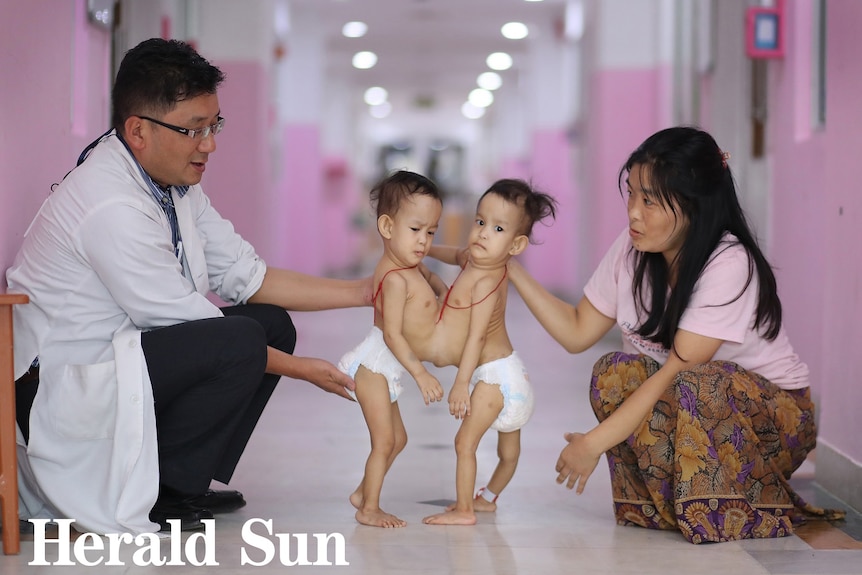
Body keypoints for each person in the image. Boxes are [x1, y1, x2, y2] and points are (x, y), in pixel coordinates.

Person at [6, 38, 368, 535]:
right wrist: (305, 370)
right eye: (193, 129)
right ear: (138, 131)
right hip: (59, 392)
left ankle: (184, 481)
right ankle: (165, 492)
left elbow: (249, 276)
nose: (210, 144)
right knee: (241, 337)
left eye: (213, 125)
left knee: (269, 324)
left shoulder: (172, 183)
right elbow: (190, 322)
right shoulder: (111, 204)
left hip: (118, 363)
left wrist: (367, 291)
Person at [506, 126, 845, 543]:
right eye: (631, 193)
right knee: (615, 371)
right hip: (693, 408)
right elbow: (577, 332)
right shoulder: (632, 250)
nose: (633, 212)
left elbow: (676, 373)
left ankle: (730, 508)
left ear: (693, 205)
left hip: (775, 421)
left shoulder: (728, 262)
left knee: (696, 380)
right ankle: (673, 507)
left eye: (649, 200)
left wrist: (593, 443)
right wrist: (510, 270)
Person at [422, 179, 556, 526]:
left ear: (516, 245)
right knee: (507, 453)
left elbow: (476, 338)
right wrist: (424, 250)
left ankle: (465, 510)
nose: (482, 233)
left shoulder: (487, 282)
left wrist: (460, 384)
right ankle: (489, 499)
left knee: (464, 443)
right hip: (512, 374)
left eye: (497, 228)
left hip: (495, 377)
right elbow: (455, 254)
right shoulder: (474, 261)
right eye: (480, 222)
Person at [338, 170, 447, 528]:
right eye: (415, 230)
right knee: (384, 441)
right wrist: (421, 373)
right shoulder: (395, 278)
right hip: (374, 365)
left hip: (384, 368)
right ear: (387, 227)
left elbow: (430, 278)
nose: (424, 241)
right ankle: (368, 508)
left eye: (431, 232)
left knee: (399, 438)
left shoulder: (410, 265)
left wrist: (440, 288)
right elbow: (393, 336)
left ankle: (361, 491)